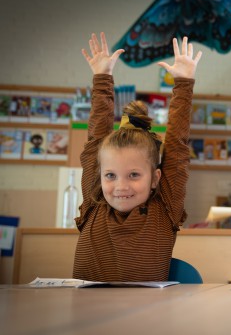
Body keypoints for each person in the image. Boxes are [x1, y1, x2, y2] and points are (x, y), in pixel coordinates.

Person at [73, 32, 202, 282]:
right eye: (110, 175)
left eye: (133, 175)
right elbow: (95, 138)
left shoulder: (165, 207)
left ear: (155, 178)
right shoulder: (94, 200)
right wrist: (102, 76)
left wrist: (184, 82)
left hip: (144, 317)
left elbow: (176, 148)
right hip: (87, 317)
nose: (121, 186)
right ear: (99, 175)